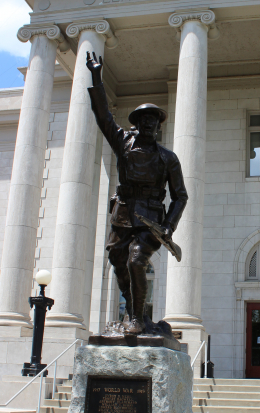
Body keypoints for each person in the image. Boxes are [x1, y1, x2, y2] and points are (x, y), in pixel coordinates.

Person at [86, 52, 188, 334]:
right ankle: (135, 314)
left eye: (153, 120)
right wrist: (96, 76)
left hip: (150, 219)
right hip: (122, 214)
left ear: (159, 125)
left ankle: (136, 320)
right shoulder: (123, 143)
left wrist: (169, 225)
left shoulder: (168, 158)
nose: (148, 124)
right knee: (119, 264)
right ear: (137, 123)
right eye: (143, 119)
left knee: (136, 260)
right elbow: (102, 115)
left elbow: (181, 196)